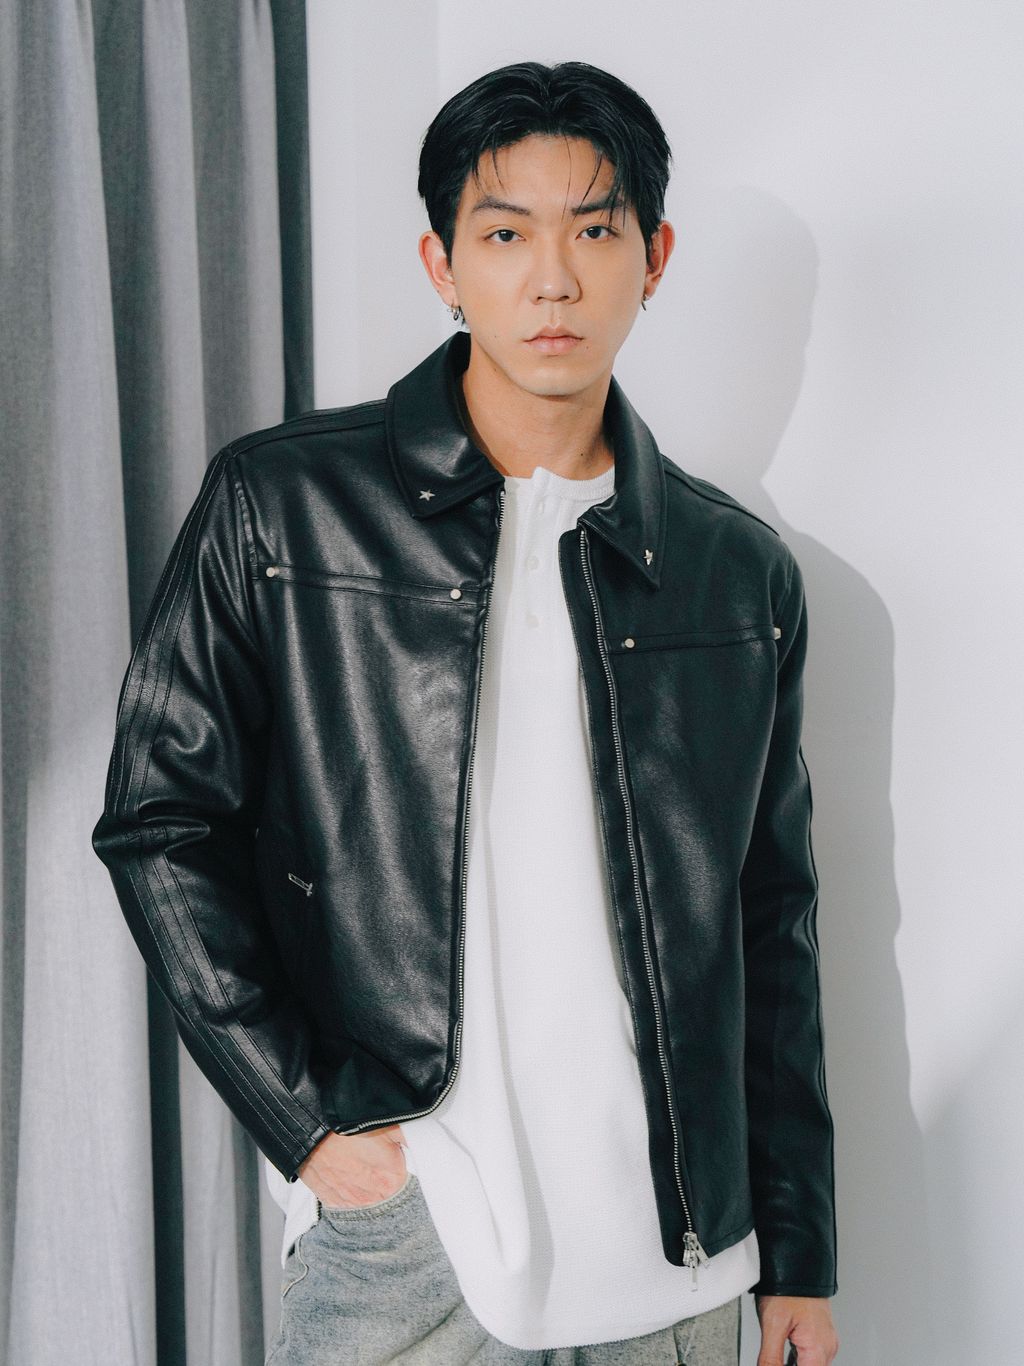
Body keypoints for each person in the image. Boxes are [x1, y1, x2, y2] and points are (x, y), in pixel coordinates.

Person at [92, 60, 838, 1366]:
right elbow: (161, 822)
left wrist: (801, 1257)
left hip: (682, 1265)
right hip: (410, 1241)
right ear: (442, 263)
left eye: (594, 230)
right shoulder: (285, 508)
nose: (553, 279)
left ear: (653, 259)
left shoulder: (736, 573)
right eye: (504, 235)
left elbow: (771, 920)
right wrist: (312, 1128)